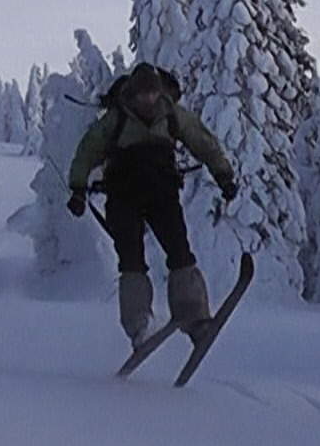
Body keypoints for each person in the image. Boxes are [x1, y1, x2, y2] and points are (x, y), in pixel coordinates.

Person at [67, 63, 238, 348]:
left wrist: (224, 176)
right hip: (123, 198)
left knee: (181, 254)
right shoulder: (116, 119)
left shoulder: (171, 115)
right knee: (131, 260)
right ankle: (139, 326)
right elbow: (87, 152)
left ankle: (196, 319)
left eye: (152, 94)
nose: (148, 100)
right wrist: (77, 190)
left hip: (162, 196)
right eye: (142, 95)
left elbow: (203, 142)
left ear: (160, 93)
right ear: (132, 94)